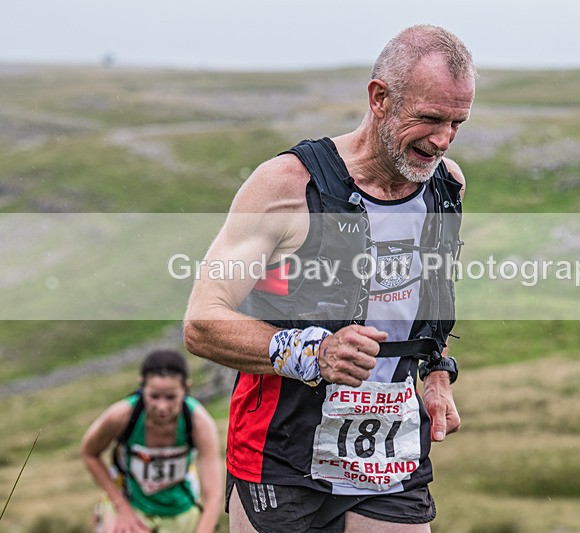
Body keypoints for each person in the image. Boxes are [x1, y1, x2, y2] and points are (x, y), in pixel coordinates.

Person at [183, 24, 475, 533]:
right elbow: (202, 323)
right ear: (379, 98)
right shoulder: (287, 186)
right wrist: (313, 354)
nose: (443, 140)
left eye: (457, 123)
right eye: (430, 119)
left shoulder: (445, 187)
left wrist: (436, 374)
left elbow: (427, 304)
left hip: (388, 456)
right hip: (280, 452)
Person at [81, 349, 223, 533]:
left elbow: (213, 496)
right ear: (142, 387)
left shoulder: (199, 423)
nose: (162, 407)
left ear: (186, 388)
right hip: (131, 504)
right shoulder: (121, 416)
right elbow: (89, 453)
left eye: (171, 397)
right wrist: (121, 507)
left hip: (181, 508)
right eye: (154, 396)